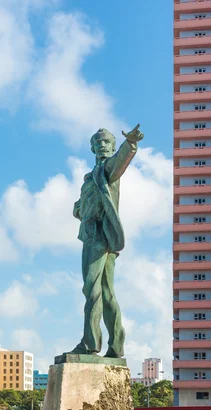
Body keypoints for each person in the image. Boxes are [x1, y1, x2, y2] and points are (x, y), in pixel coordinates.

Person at [69, 125, 144, 358]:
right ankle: (116, 346)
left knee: (92, 290)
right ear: (92, 147)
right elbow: (82, 206)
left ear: (112, 146)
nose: (102, 146)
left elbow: (121, 160)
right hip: (93, 233)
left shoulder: (107, 170)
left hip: (99, 235)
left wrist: (130, 144)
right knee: (106, 292)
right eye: (98, 142)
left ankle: (90, 344)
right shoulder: (91, 176)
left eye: (106, 142)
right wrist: (79, 208)